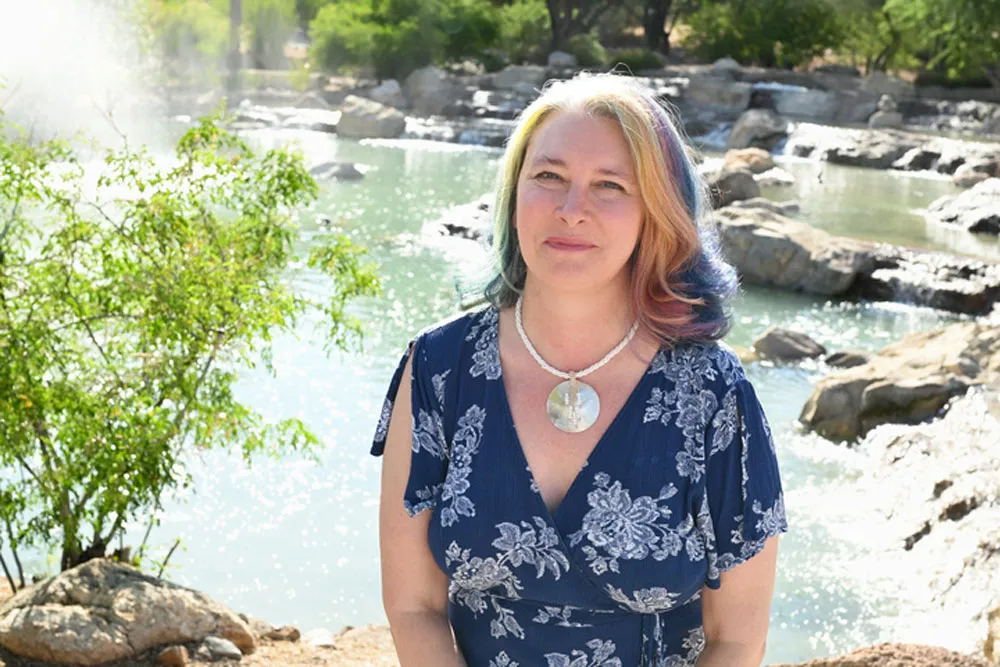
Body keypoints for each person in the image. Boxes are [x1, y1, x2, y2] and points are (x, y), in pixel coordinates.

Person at [371, 73, 787, 667]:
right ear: (514, 193)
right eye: (549, 177)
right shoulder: (439, 369)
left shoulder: (714, 394)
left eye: (610, 185)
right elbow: (414, 606)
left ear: (657, 213)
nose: (572, 210)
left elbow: (737, 640)